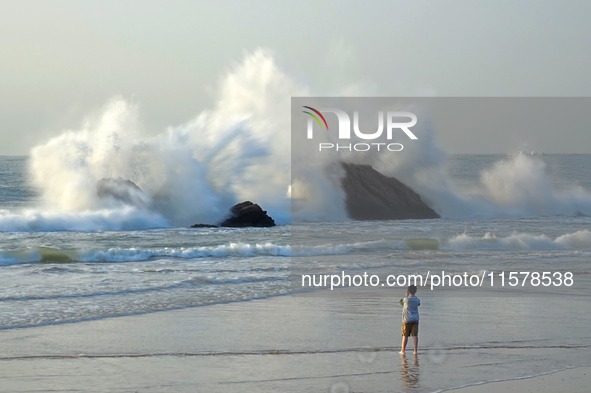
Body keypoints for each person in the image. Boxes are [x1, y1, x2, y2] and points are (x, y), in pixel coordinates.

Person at [399, 284, 420, 355]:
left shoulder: (406, 300)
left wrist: (406, 295)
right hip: (415, 319)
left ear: (408, 291)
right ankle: (415, 351)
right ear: (415, 291)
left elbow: (401, 302)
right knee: (415, 336)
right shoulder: (417, 300)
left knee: (405, 336)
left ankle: (403, 350)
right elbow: (418, 304)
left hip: (406, 320)